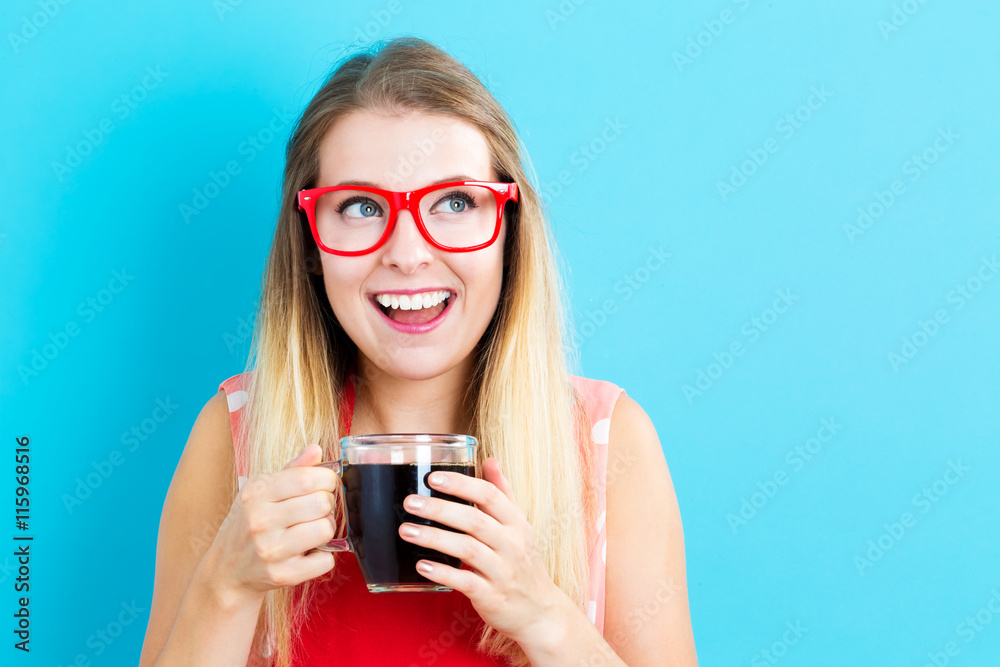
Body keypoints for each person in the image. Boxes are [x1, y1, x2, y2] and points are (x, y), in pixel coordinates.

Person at [139, 36, 697, 666]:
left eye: (455, 203)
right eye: (360, 206)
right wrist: (225, 586)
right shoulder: (236, 436)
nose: (407, 253)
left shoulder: (607, 443)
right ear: (312, 245)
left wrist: (543, 614)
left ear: (509, 233)